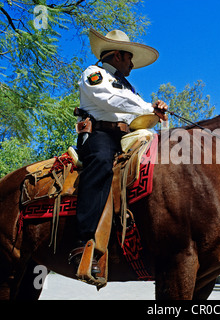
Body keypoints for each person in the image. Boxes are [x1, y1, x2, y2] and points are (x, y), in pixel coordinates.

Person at [69, 29, 168, 273]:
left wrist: (153, 111)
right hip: (99, 135)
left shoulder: (129, 88)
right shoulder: (94, 74)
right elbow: (112, 100)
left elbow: (134, 111)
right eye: (129, 58)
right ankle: (82, 243)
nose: (132, 63)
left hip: (125, 136)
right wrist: (148, 106)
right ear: (116, 55)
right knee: (102, 163)